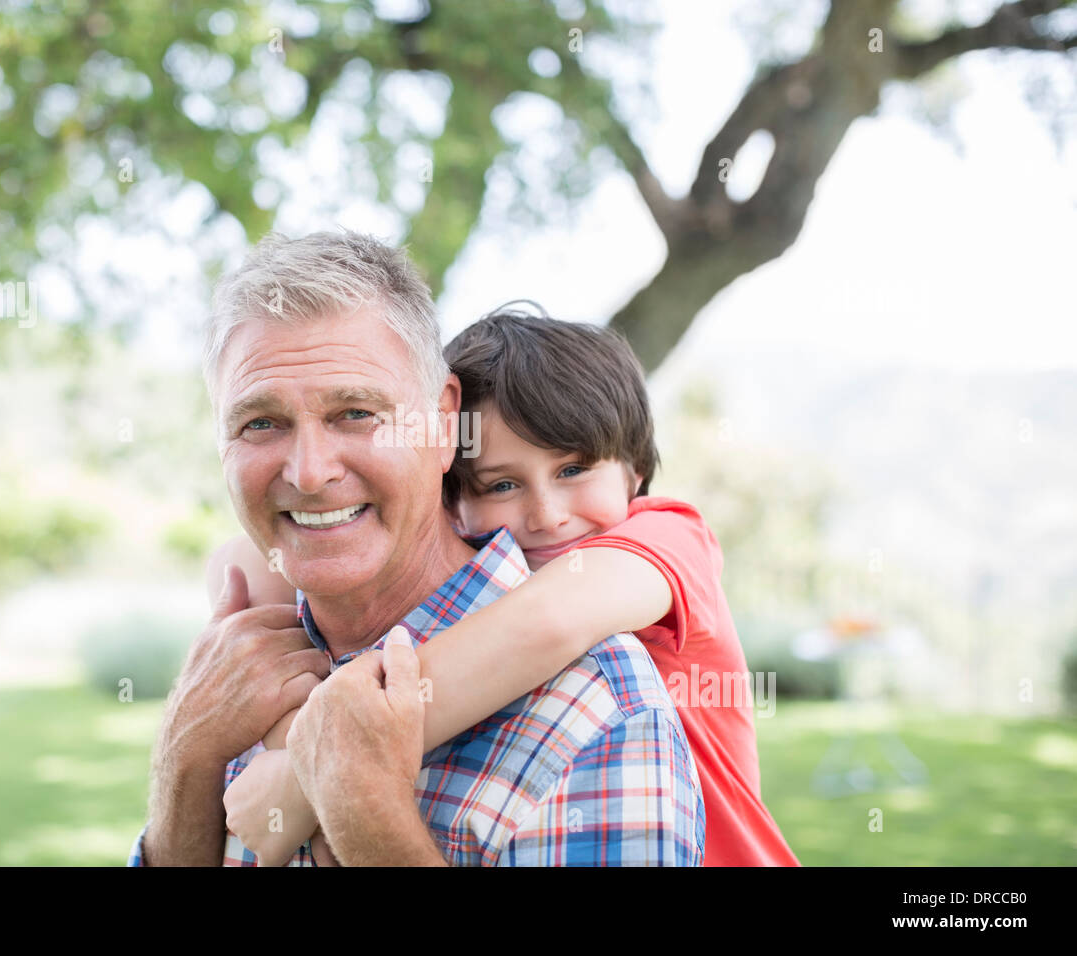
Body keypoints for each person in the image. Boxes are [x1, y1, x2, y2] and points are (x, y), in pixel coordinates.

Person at [127, 232, 704, 866]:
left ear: (443, 422)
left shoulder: (597, 708)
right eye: (260, 422)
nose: (310, 472)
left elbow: (556, 616)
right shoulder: (235, 676)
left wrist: (362, 805)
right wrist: (185, 760)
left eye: (355, 412)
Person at [223, 306, 798, 867]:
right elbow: (244, 555)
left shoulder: (668, 536)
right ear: (451, 498)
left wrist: (307, 771)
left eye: (573, 470)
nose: (546, 514)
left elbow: (549, 622)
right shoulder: (467, 549)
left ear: (634, 470)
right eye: (502, 485)